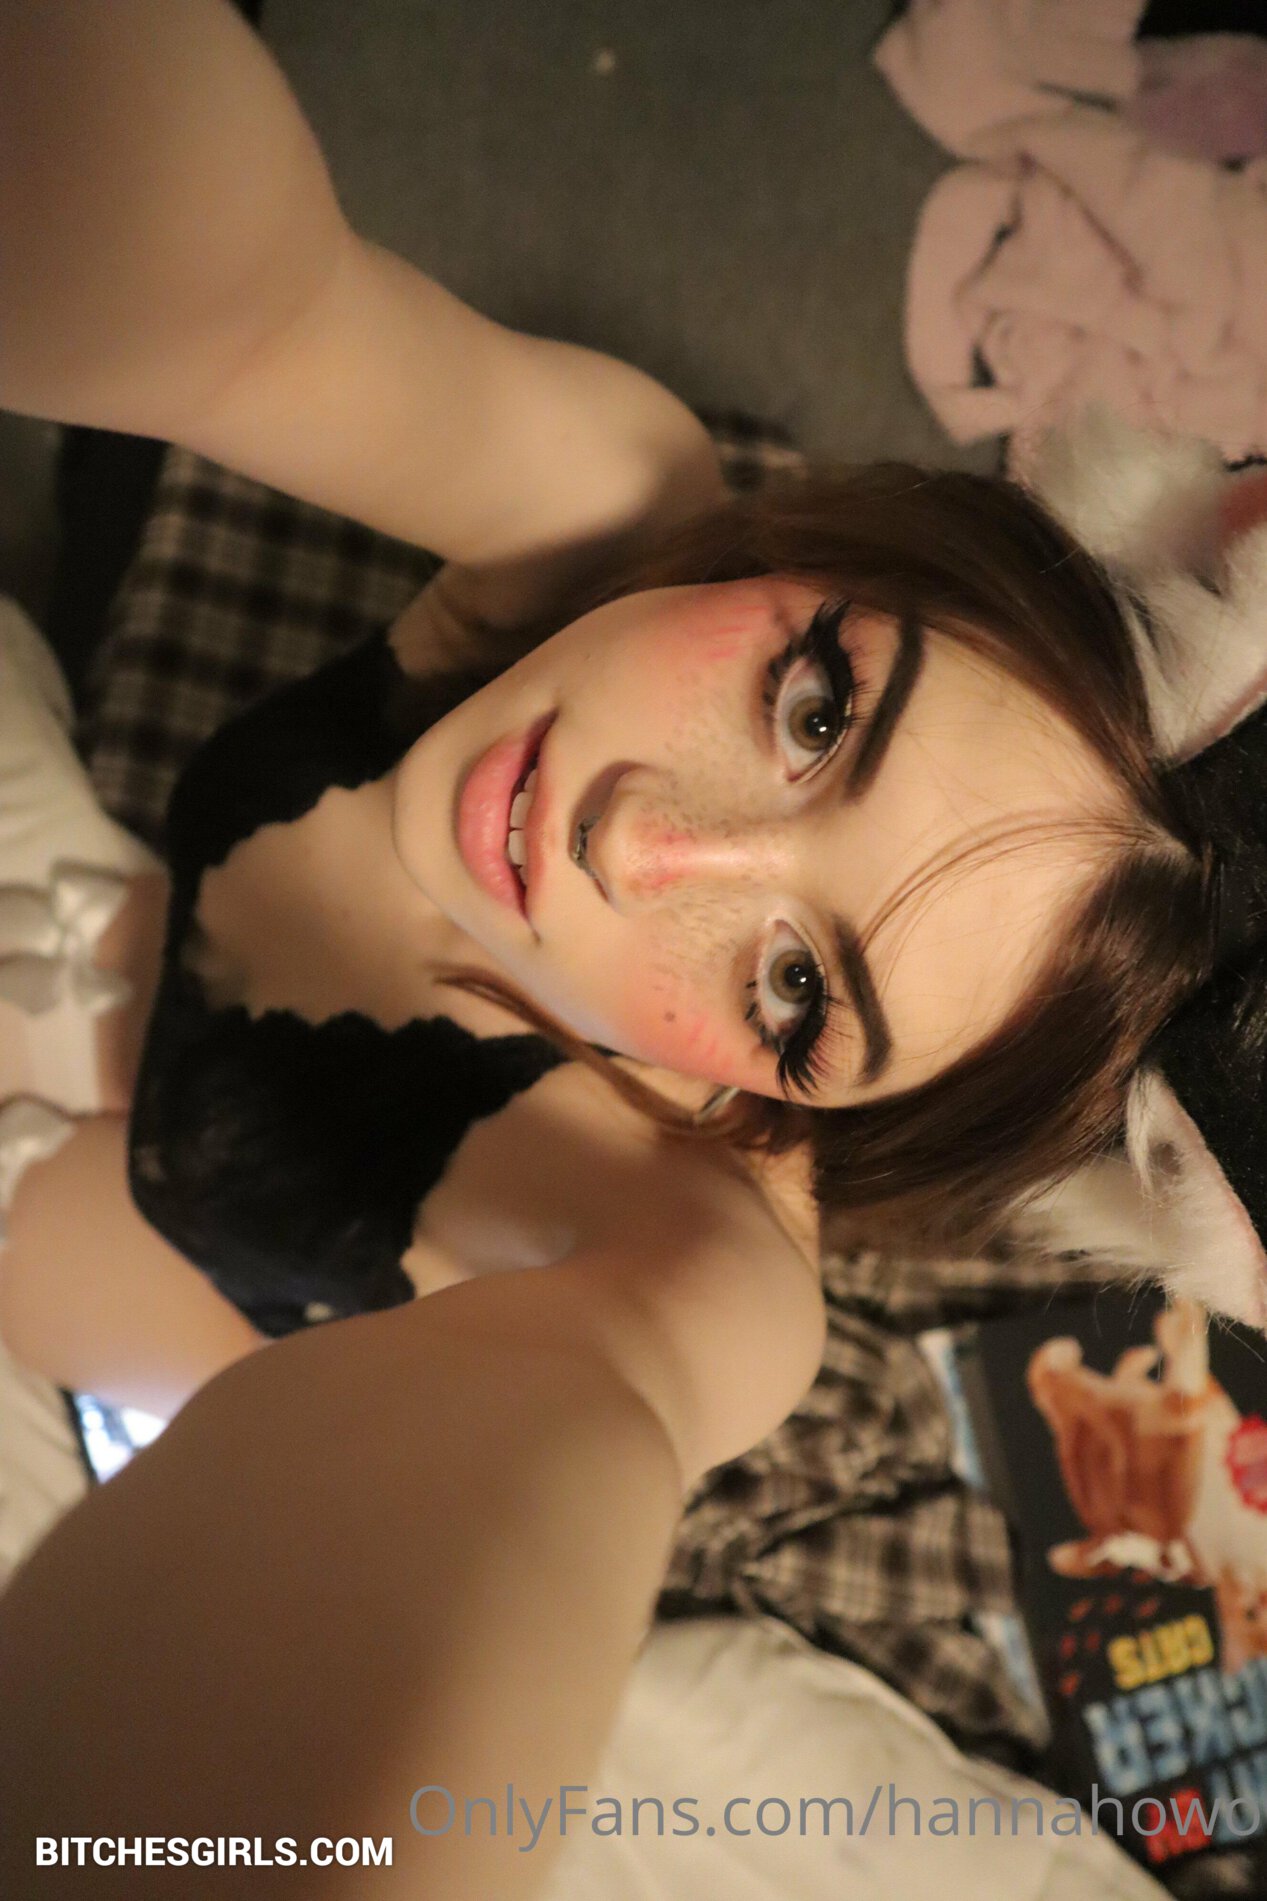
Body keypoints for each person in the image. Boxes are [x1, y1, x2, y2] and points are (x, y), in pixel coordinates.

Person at [0, 4, 1256, 1896]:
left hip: (166, 1285)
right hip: (138, 951)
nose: (645, 842)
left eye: (795, 985)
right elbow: (240, 296)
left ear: (830, 1109)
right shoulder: (610, 502)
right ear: (845, 557)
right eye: (818, 708)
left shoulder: (708, 1248)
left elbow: (621, 1395)